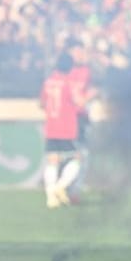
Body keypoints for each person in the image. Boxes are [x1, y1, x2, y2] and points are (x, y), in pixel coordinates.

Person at [40, 53, 90, 208]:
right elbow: (79, 102)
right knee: (77, 159)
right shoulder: (68, 83)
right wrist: (90, 96)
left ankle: (50, 197)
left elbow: (42, 104)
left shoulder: (48, 82)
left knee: (52, 161)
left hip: (51, 127)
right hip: (66, 128)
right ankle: (59, 186)